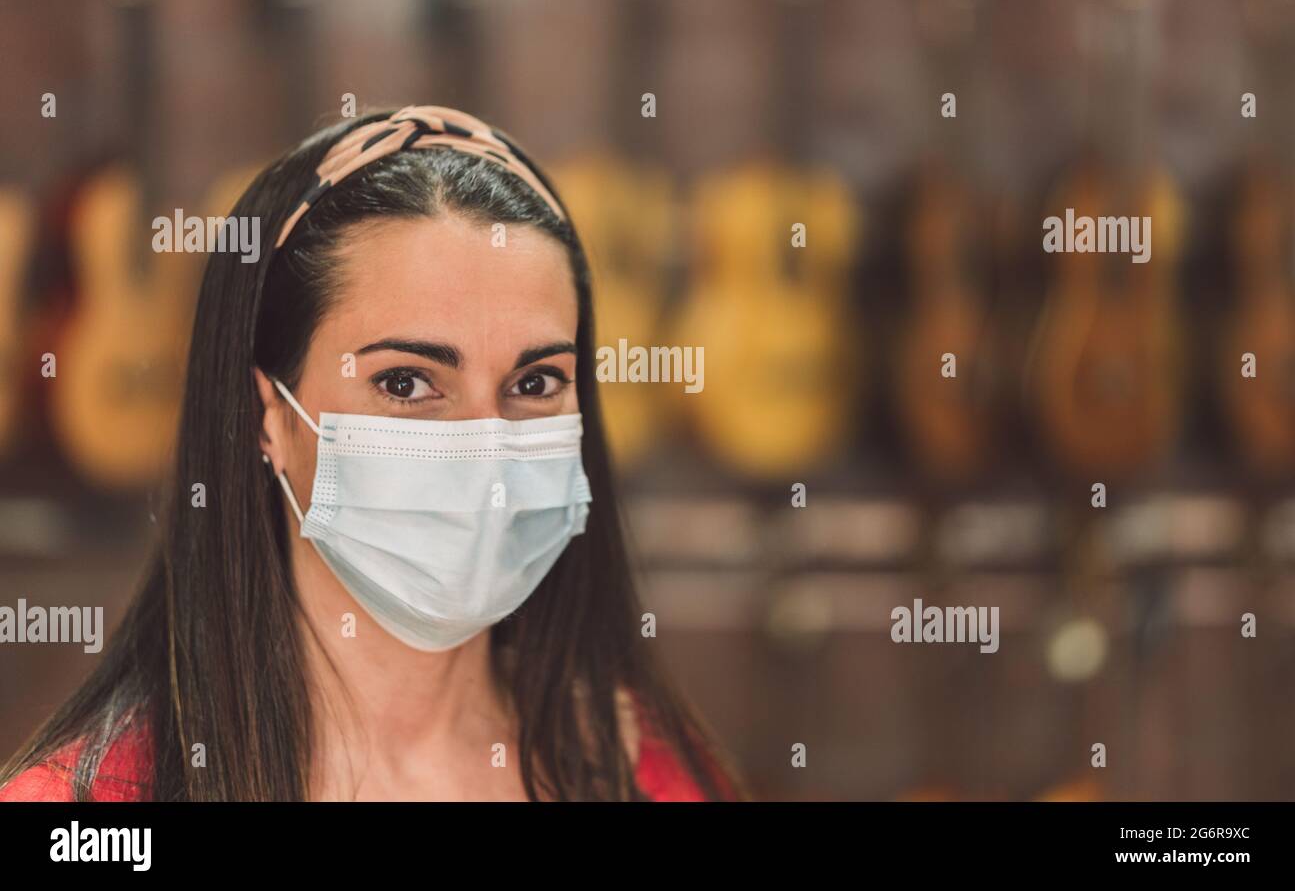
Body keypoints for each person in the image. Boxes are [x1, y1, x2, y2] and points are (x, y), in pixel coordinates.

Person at [0, 105, 743, 801]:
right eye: (406, 381)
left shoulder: (645, 772)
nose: (486, 447)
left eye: (536, 380)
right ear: (269, 415)